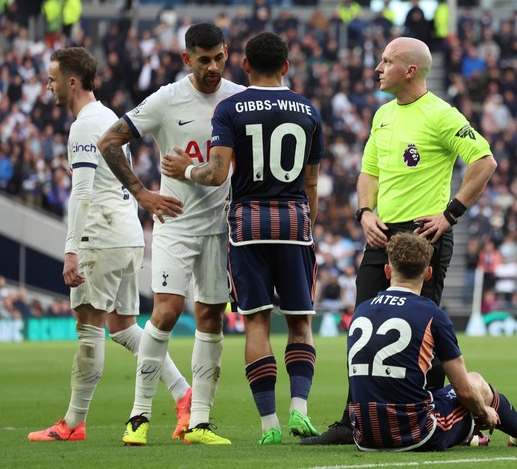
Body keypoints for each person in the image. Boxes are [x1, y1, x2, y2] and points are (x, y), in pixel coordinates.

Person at [301, 36, 496, 445]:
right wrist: (365, 213)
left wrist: (450, 213)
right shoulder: (383, 115)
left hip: (424, 235)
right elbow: (368, 173)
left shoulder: (441, 115)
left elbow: (484, 160)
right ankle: (353, 419)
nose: (377, 68)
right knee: (365, 325)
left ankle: (441, 415)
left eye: (386, 61)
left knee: (424, 331)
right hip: (382, 232)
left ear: (410, 70)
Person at [161, 31, 323, 445]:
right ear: (286, 66)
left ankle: (269, 425)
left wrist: (186, 171)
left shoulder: (230, 108)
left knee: (257, 325)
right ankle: (300, 410)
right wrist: (307, 224)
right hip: (294, 221)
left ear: (245, 65)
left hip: (248, 224)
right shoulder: (308, 110)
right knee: (300, 323)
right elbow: (311, 182)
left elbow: (215, 173)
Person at [28, 47, 192, 442]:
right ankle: (184, 394)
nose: (48, 86)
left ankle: (73, 422)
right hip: (127, 236)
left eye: (52, 79)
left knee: (89, 330)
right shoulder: (109, 120)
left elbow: (82, 192)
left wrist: (71, 249)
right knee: (121, 328)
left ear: (72, 81)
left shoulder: (85, 125)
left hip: (100, 237)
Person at [96, 23, 244, 446]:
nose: (213, 66)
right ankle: (138, 417)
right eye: (204, 59)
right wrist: (142, 193)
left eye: (219, 57)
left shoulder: (237, 98)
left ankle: (198, 423)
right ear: (187, 59)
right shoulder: (167, 99)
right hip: (175, 225)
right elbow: (110, 141)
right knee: (165, 312)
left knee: (211, 317)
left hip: (219, 229)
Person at [347, 232, 517, 451]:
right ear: (428, 274)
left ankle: (469, 434)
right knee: (475, 382)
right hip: (416, 434)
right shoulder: (432, 314)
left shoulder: (361, 310)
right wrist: (485, 413)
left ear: (387, 271)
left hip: (364, 436)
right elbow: (464, 390)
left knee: (430, 396)